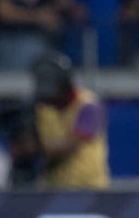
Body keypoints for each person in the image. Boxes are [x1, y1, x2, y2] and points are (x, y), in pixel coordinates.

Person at [31, 51, 110, 189]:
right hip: (52, 188)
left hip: (88, 187)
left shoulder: (89, 105)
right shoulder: (43, 107)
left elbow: (72, 144)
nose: (49, 97)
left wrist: (35, 148)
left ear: (64, 85)